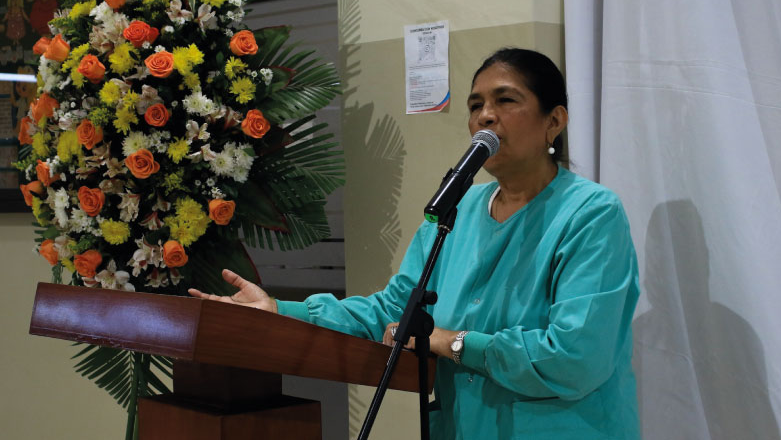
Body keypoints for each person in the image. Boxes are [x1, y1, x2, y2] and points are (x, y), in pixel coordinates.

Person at [190, 48, 641, 439]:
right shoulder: (455, 211)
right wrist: (279, 312)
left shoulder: (590, 214)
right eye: (476, 105)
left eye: (506, 100)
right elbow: (394, 313)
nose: (485, 116)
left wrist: (454, 342)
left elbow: (575, 357)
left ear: (554, 121)